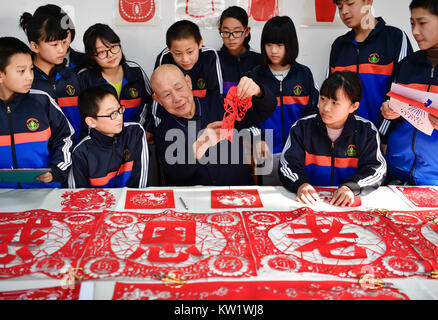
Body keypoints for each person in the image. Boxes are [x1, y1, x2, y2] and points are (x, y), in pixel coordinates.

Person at [150, 64, 276, 186]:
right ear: (158, 100)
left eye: (178, 88)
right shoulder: (163, 130)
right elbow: (175, 174)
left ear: (188, 82)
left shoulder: (222, 104)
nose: (177, 98)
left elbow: (264, 111)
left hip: (240, 192)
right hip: (196, 202)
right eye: (166, 95)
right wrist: (198, 147)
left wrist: (258, 91)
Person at [279, 71, 386, 206]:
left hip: (347, 205)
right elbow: (287, 165)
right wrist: (301, 184)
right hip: (309, 203)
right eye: (323, 99)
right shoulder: (302, 128)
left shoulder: (367, 131)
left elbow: (376, 169)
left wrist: (351, 187)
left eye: (335, 102)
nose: (326, 108)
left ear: (354, 106)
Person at [250, 16, 319, 185]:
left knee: (298, 198)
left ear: (290, 44)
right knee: (268, 203)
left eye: (279, 45)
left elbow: (313, 114)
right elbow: (248, 115)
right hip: (266, 153)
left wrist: (306, 144)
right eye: (269, 45)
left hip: (299, 153)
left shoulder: (304, 75)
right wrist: (257, 139)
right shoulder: (256, 76)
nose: (274, 51)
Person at [0, 37, 75, 188]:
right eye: (21, 71)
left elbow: (66, 137)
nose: (29, 76)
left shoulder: (42, 101)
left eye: (31, 69)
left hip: (45, 193)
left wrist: (56, 170)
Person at [380, 0, 438, 185]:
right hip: (396, 170)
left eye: (422, 23)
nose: (414, 31)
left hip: (433, 178)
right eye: (412, 23)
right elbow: (396, 105)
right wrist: (389, 110)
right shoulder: (407, 64)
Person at [329, 0, 413, 126]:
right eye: (339, 7)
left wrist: (383, 137)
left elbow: (404, 92)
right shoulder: (339, 46)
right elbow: (330, 95)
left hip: (386, 139)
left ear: (368, 1)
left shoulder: (395, 38)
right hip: (346, 138)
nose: (344, 11)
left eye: (350, 3)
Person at [19, 9, 83, 143]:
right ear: (35, 46)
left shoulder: (71, 76)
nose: (61, 49)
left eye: (63, 42)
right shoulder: (24, 82)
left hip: (76, 155)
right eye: (54, 44)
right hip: (42, 159)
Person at [68, 85, 149, 188]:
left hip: (130, 201)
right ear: (91, 122)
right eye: (112, 114)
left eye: (119, 110)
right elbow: (78, 194)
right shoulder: (81, 152)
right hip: (98, 203)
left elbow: (140, 184)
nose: (119, 117)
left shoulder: (135, 133)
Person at [79, 23, 153, 128]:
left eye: (113, 47)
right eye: (101, 52)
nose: (110, 55)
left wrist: (140, 130)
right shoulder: (84, 78)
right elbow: (82, 118)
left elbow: (149, 102)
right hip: (101, 142)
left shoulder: (135, 70)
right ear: (91, 56)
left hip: (134, 137)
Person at [217, 6, 261, 94]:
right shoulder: (214, 60)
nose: (231, 38)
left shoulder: (259, 60)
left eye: (237, 32)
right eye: (226, 32)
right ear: (220, 31)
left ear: (247, 31)